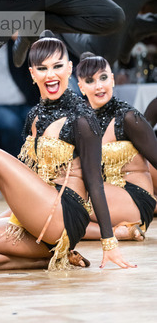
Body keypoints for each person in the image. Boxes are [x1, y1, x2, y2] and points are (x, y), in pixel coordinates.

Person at [0, 34, 134, 275]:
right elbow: (31, 180)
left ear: (69, 69)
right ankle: (48, 259)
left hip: (63, 218)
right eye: (42, 68)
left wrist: (109, 243)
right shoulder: (34, 115)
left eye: (57, 66)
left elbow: (96, 184)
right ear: (33, 74)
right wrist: (2, 219)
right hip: (38, 214)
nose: (50, 74)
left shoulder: (82, 118)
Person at [76, 52, 157, 241]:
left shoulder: (128, 118)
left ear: (112, 79)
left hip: (134, 200)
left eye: (103, 78)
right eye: (90, 81)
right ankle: (119, 233)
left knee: (63, 199)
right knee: (53, 211)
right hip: (101, 195)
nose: (99, 86)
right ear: (81, 87)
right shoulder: (79, 120)